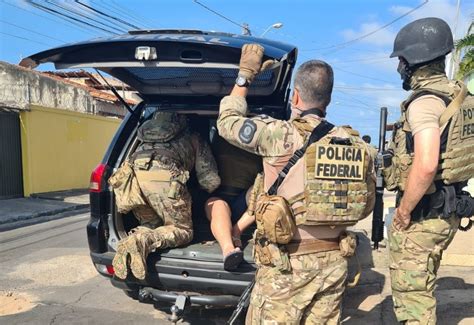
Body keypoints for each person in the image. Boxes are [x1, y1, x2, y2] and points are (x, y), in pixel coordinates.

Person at [217, 44, 375, 324]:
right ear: (327, 99)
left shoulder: (278, 135)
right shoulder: (356, 145)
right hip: (334, 261)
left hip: (287, 266)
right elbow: (365, 203)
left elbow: (228, 121)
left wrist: (245, 75)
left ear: (296, 96)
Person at [387, 17, 472, 324]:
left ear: (415, 59)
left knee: (413, 301)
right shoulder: (462, 98)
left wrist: (405, 211)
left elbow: (425, 165)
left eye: (401, 60)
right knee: (424, 283)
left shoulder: (424, 103)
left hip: (424, 214)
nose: (400, 67)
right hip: (450, 211)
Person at [110, 111, 221, 280]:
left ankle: (136, 238)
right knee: (183, 230)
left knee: (152, 224)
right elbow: (210, 180)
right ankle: (141, 241)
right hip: (165, 180)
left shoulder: (144, 136)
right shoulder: (193, 137)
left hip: (131, 182)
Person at [205, 135, 262, 271]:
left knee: (264, 190)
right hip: (218, 197)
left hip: (246, 201)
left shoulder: (261, 143)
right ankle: (229, 250)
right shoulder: (219, 138)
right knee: (218, 205)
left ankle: (236, 232)